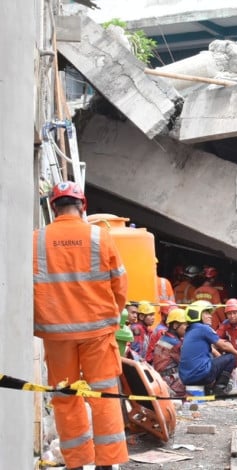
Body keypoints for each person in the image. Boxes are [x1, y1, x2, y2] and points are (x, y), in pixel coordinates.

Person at [33, 181, 129, 470]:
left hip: (56, 334)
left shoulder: (37, 239)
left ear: (53, 206)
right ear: (82, 205)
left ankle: (76, 462)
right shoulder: (100, 236)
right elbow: (120, 284)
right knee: (104, 396)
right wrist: (113, 314)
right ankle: (106, 463)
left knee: (66, 398)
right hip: (97, 333)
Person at [179, 300, 237, 396]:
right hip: (201, 374)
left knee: (213, 358)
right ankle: (219, 389)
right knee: (230, 357)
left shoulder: (190, 330)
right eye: (206, 313)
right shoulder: (203, 328)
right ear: (197, 314)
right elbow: (223, 345)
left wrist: (219, 357)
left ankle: (210, 388)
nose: (210, 316)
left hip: (186, 377)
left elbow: (212, 347)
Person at [151, 308, 188, 397]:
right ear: (175, 325)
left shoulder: (164, 338)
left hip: (161, 378)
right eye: (186, 325)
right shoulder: (175, 343)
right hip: (171, 382)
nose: (187, 328)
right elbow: (187, 362)